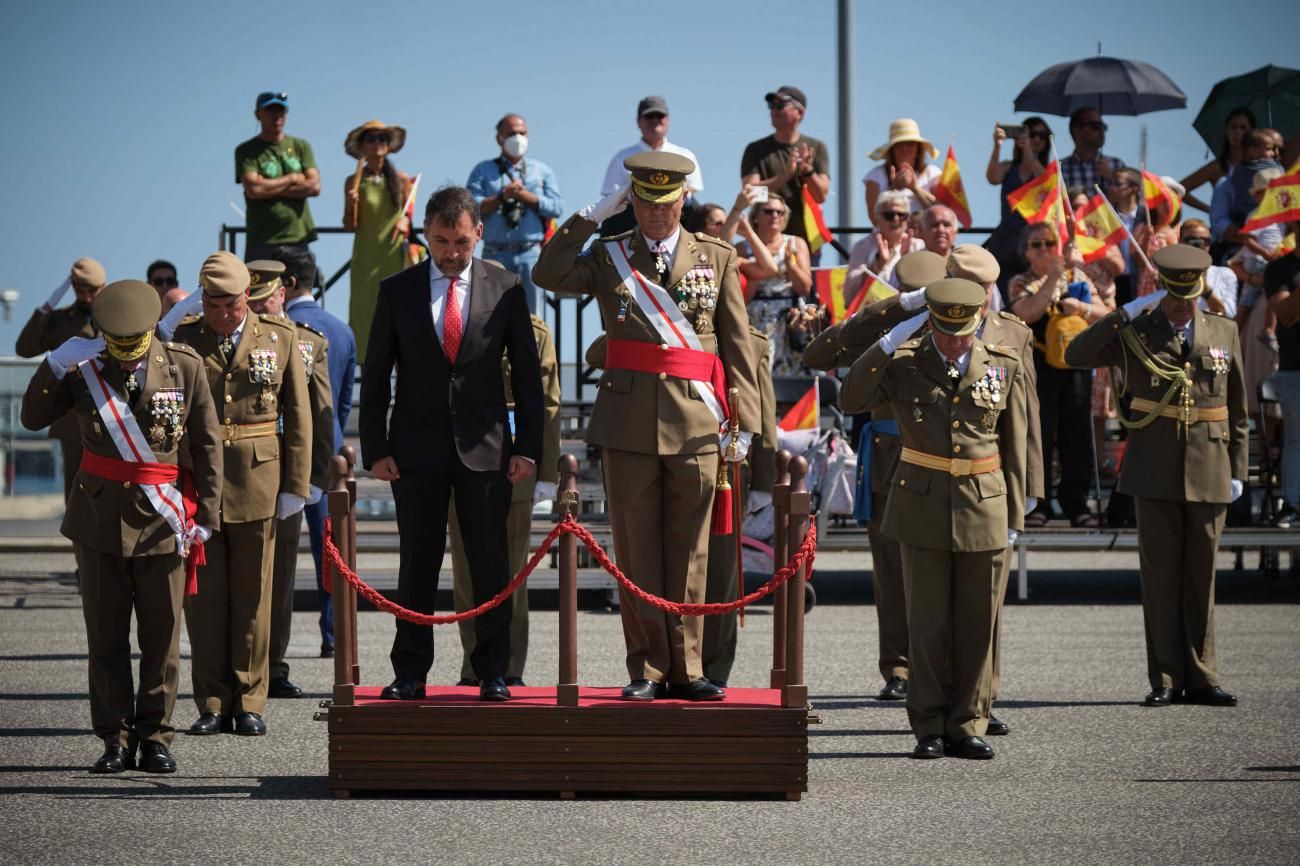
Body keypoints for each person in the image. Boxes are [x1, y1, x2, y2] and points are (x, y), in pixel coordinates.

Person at [533, 151, 760, 701]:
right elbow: (548, 271)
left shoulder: (717, 257)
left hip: (700, 422)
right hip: (628, 423)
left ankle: (688, 667)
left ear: (684, 199)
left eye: (667, 202)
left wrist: (745, 426)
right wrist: (591, 215)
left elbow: (737, 346)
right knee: (637, 552)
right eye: (645, 202)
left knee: (691, 553)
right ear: (631, 199)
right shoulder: (610, 255)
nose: (657, 213)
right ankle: (647, 670)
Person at [21, 279, 222, 774]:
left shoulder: (184, 366)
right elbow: (30, 418)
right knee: (105, 636)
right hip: (99, 521)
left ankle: (155, 735)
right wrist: (51, 365)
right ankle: (113, 736)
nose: (129, 358)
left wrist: (208, 517)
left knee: (162, 635)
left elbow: (207, 445)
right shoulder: (83, 368)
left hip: (161, 520)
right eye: (119, 346)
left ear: (151, 330)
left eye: (135, 346)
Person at [360, 186, 543, 703]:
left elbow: (527, 376)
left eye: (461, 242)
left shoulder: (506, 287)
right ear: (426, 236)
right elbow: (376, 375)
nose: (452, 253)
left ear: (478, 234)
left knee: (490, 565)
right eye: (441, 241)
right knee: (416, 563)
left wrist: (528, 446)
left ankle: (492, 671)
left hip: (487, 451)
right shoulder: (397, 290)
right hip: (414, 451)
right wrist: (375, 446)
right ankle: (410, 672)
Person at [840, 278, 1029, 760]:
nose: (952, 341)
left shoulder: (1002, 364)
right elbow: (850, 397)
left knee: (978, 622)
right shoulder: (904, 364)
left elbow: (1017, 441)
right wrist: (889, 339)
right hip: (921, 503)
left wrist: (1016, 513)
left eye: (961, 330)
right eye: (943, 330)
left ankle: (968, 722)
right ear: (931, 323)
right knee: (926, 624)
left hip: (984, 502)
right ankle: (928, 725)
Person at [1065, 245, 1247, 707]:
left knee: (1201, 576)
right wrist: (1121, 312)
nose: (1183, 305)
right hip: (1153, 467)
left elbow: (1239, 410)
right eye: (1175, 295)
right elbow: (1076, 354)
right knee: (1161, 576)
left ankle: (1203, 675)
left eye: (1190, 296)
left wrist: (1238, 469)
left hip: (1209, 465)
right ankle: (1165, 676)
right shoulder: (1137, 330)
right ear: (1163, 288)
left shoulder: (1223, 329)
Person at [166, 251, 311, 736]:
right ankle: (211, 700)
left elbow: (299, 418)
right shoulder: (184, 337)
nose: (224, 313)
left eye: (232, 303)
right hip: (200, 482)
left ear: (247, 295)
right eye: (214, 303)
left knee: (254, 596)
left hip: (259, 479)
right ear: (201, 298)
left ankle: (250, 698)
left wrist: (296, 485)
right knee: (204, 599)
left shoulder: (280, 336)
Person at [802, 251, 949, 704]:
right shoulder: (884, 328)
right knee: (891, 574)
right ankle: (899, 667)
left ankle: (949, 670)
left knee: (948, 574)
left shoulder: (965, 328)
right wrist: (894, 310)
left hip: (946, 465)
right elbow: (819, 353)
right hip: (889, 464)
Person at [448, 313, 560, 687]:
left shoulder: (532, 328)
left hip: (514, 464)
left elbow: (547, 403)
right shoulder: (450, 321)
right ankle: (473, 665)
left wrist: (546, 470)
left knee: (513, 574)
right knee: (466, 572)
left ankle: (510, 667)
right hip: (459, 458)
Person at [243, 261, 334, 700]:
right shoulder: (227, 340)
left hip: (284, 479)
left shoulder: (305, 343)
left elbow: (318, 415)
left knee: (279, 580)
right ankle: (233, 667)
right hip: (237, 476)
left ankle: (272, 667)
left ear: (284, 293)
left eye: (268, 296)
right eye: (253, 297)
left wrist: (312, 479)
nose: (262, 304)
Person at [274, 246, 357, 657]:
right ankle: (335, 633)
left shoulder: (277, 327)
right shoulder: (340, 330)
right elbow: (341, 402)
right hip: (330, 456)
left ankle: (273, 643)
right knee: (332, 553)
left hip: (282, 457)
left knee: (278, 557)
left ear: (286, 283)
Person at [1009, 222, 1110, 527]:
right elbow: (1026, 313)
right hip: (1037, 365)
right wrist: (1052, 278)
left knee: (1076, 434)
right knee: (1039, 434)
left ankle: (1076, 502)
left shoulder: (1078, 278)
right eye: (1036, 244)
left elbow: (1106, 314)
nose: (1044, 249)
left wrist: (1081, 306)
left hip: (1075, 365)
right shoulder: (1020, 281)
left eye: (1050, 243)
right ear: (1026, 252)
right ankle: (1038, 503)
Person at [15, 257, 107, 503]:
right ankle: (76, 542)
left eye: (92, 290)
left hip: (110, 413)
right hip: (72, 417)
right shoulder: (59, 320)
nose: (86, 296)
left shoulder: (112, 316)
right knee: (76, 492)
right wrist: (48, 305)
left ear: (104, 287)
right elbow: (24, 348)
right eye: (79, 289)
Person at [467, 114, 565, 315]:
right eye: (512, 133)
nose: (518, 138)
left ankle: (533, 347)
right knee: (491, 315)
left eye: (522, 133)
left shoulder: (542, 170)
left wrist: (526, 196)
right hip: (495, 252)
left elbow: (556, 207)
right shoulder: (483, 171)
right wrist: (501, 197)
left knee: (532, 318)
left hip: (531, 254)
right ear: (499, 138)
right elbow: (469, 207)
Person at [342, 120, 411, 364]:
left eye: (382, 138)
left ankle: (402, 371)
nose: (377, 143)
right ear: (362, 145)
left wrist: (406, 223)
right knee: (364, 314)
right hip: (365, 257)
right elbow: (349, 226)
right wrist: (352, 204)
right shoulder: (353, 181)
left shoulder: (401, 180)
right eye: (370, 138)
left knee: (397, 312)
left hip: (392, 256)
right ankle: (364, 373)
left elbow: (409, 215)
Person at [235, 92, 320, 263]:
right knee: (260, 290)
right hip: (262, 240)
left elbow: (314, 187)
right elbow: (254, 190)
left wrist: (267, 186)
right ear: (258, 114)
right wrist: (293, 179)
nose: (277, 115)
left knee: (298, 288)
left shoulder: (301, 146)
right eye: (270, 110)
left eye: (281, 110)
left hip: (298, 237)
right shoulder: (247, 150)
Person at [740, 86, 830, 249]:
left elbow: (821, 196)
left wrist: (808, 172)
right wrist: (784, 176)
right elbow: (750, 193)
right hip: (765, 240)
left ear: (800, 113)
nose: (774, 110)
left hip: (806, 239)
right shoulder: (756, 149)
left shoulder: (816, 147)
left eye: (780, 105)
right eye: (771, 106)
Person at [600, 95, 703, 237]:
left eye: (659, 116)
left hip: (678, 213)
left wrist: (666, 204)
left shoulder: (684, 155)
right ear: (638, 122)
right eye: (649, 116)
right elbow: (612, 194)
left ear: (668, 121)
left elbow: (692, 190)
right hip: (632, 216)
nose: (655, 121)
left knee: (702, 213)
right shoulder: (622, 157)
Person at [735, 193, 812, 375]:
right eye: (769, 211)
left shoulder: (795, 243)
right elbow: (741, 292)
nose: (775, 216)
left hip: (791, 316)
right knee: (760, 373)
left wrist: (790, 266)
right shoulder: (742, 248)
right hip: (757, 316)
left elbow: (805, 287)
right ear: (756, 216)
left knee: (795, 375)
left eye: (780, 212)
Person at [985, 117, 1052, 297]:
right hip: (1006, 238)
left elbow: (1044, 183)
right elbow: (992, 177)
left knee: (1030, 291)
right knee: (1002, 289)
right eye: (1032, 134)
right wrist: (997, 145)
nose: (1037, 139)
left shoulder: (1047, 171)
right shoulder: (1009, 167)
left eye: (1042, 135)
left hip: (1034, 242)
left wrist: (1028, 150)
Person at [1265, 223, 1300, 527]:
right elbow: (1286, 314)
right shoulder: (1280, 269)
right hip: (1294, 367)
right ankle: (1294, 504)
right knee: (1296, 440)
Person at [843, 190, 925, 290]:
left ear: (908, 219)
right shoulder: (862, 246)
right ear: (877, 219)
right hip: (872, 304)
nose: (896, 219)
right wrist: (877, 265)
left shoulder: (919, 246)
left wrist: (907, 261)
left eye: (901, 215)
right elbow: (851, 290)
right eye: (889, 215)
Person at [864, 118, 941, 223]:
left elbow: (942, 213)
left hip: (925, 239)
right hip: (887, 239)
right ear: (892, 149)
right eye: (899, 144)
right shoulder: (875, 175)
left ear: (918, 149)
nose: (904, 148)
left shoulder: (932, 173)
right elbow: (874, 218)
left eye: (910, 144)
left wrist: (915, 188)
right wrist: (893, 190)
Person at [1178, 107, 1255, 213]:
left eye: (1243, 127)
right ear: (1227, 131)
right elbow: (1179, 189)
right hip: (1225, 226)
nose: (1238, 131)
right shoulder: (1217, 167)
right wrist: (1210, 210)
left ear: (1251, 132)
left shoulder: (1260, 165)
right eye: (1233, 127)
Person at [1060, 107, 1127, 198]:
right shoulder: (1060, 169)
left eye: (1103, 127)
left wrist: (1112, 176)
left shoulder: (1117, 165)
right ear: (1076, 130)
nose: (1101, 131)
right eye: (1095, 126)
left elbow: (1134, 201)